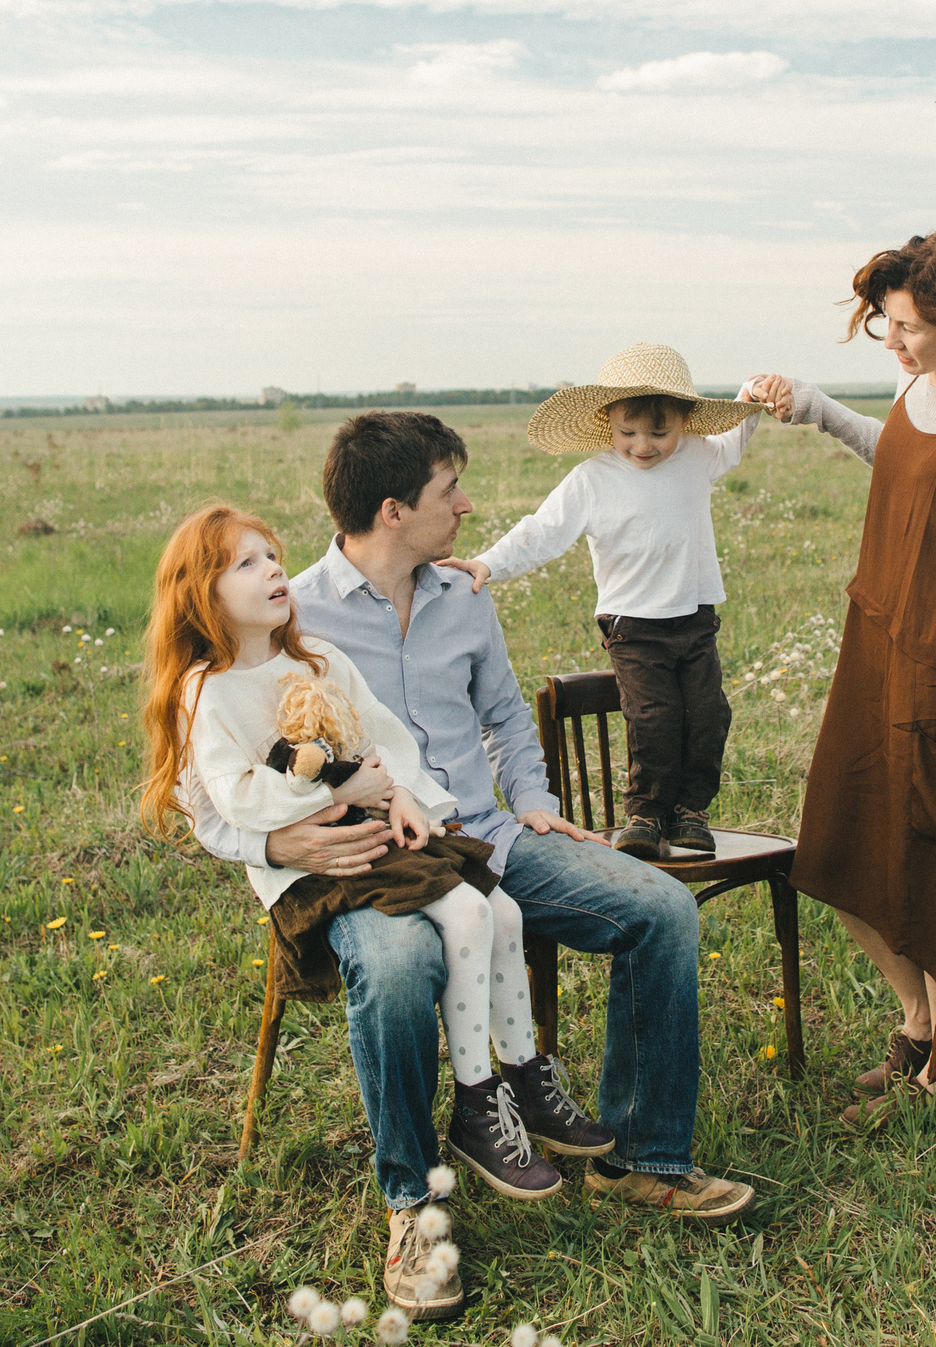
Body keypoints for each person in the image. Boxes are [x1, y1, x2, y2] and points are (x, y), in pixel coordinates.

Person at [181, 411, 755, 1312]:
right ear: (394, 509)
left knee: (661, 910)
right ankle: (411, 1206)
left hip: (487, 830)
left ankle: (642, 1157)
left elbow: (507, 720)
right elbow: (202, 791)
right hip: (363, 857)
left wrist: (536, 798)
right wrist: (275, 840)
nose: (469, 507)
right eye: (452, 491)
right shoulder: (297, 612)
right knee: (404, 960)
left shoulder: (464, 593)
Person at [136, 503, 576, 1205]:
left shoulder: (317, 659)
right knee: (467, 913)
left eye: (272, 555)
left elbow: (385, 740)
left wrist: (405, 796)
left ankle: (523, 1072)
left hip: (380, 833)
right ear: (202, 594)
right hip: (315, 871)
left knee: (503, 909)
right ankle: (475, 1096)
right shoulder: (207, 691)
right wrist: (333, 796)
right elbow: (235, 799)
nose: (274, 569)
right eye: (245, 563)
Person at [745, 224, 936, 1123]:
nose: (895, 338)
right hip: (876, 637)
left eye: (909, 324)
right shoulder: (923, 382)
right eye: (887, 321)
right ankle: (917, 1020)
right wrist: (815, 406)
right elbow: (904, 457)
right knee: (839, 843)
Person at [444, 342, 765, 859]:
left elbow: (735, 436)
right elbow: (542, 531)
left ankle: (690, 813)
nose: (642, 445)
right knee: (654, 716)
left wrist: (750, 395)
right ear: (607, 422)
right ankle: (646, 812)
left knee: (708, 715)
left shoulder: (698, 456)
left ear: (684, 422)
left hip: (695, 618)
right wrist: (488, 563)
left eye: (659, 433)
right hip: (633, 626)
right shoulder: (593, 479)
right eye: (628, 432)